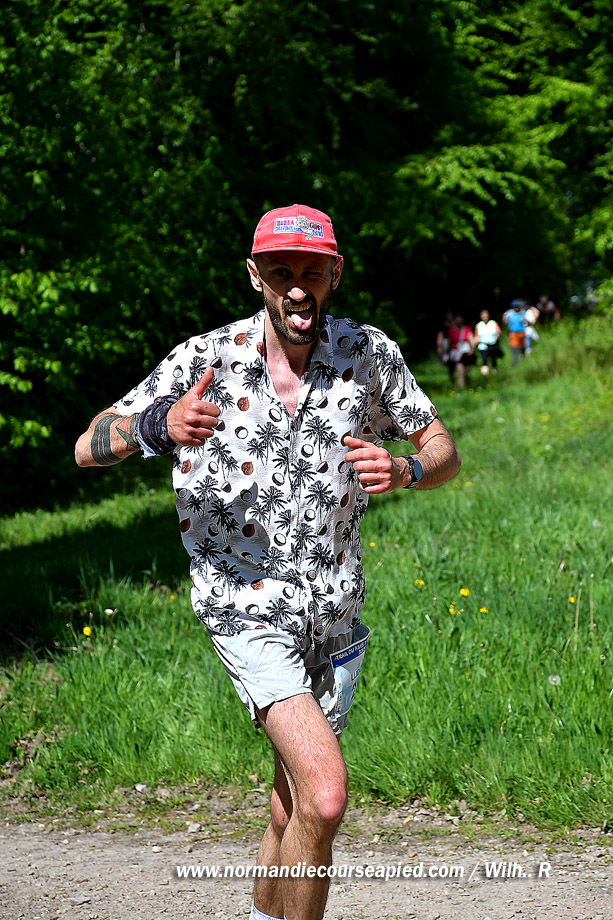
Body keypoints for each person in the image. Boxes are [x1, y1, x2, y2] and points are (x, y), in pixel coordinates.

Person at [75, 203, 461, 920]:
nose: (296, 287)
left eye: (311, 271)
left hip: (335, 614)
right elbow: (88, 443)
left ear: (335, 274)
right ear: (255, 276)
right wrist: (159, 424)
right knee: (326, 794)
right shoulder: (206, 359)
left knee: (292, 804)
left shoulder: (368, 354)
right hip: (243, 606)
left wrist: (407, 469)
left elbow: (443, 450)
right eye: (281, 271)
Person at [446, 314, 476, 389]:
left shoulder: (467, 329)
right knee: (460, 370)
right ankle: (461, 388)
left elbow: (471, 340)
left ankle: (468, 386)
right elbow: (449, 342)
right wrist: (446, 353)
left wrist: (472, 349)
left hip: (466, 354)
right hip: (456, 353)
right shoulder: (451, 330)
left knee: (467, 372)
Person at [474, 309, 503, 375]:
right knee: (484, 360)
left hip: (493, 344)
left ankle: (494, 374)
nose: (484, 318)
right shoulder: (478, 325)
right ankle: (485, 375)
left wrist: (498, 339)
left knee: (493, 360)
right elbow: (476, 336)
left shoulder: (493, 323)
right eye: (483, 317)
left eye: (486, 316)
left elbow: (499, 332)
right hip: (483, 345)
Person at [503, 299, 526, 365]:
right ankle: (515, 362)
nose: (516, 308)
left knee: (522, 347)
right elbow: (505, 322)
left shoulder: (522, 313)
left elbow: (527, 322)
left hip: (521, 332)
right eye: (515, 307)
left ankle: (523, 358)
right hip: (513, 333)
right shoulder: (509, 313)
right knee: (514, 347)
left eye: (517, 307)